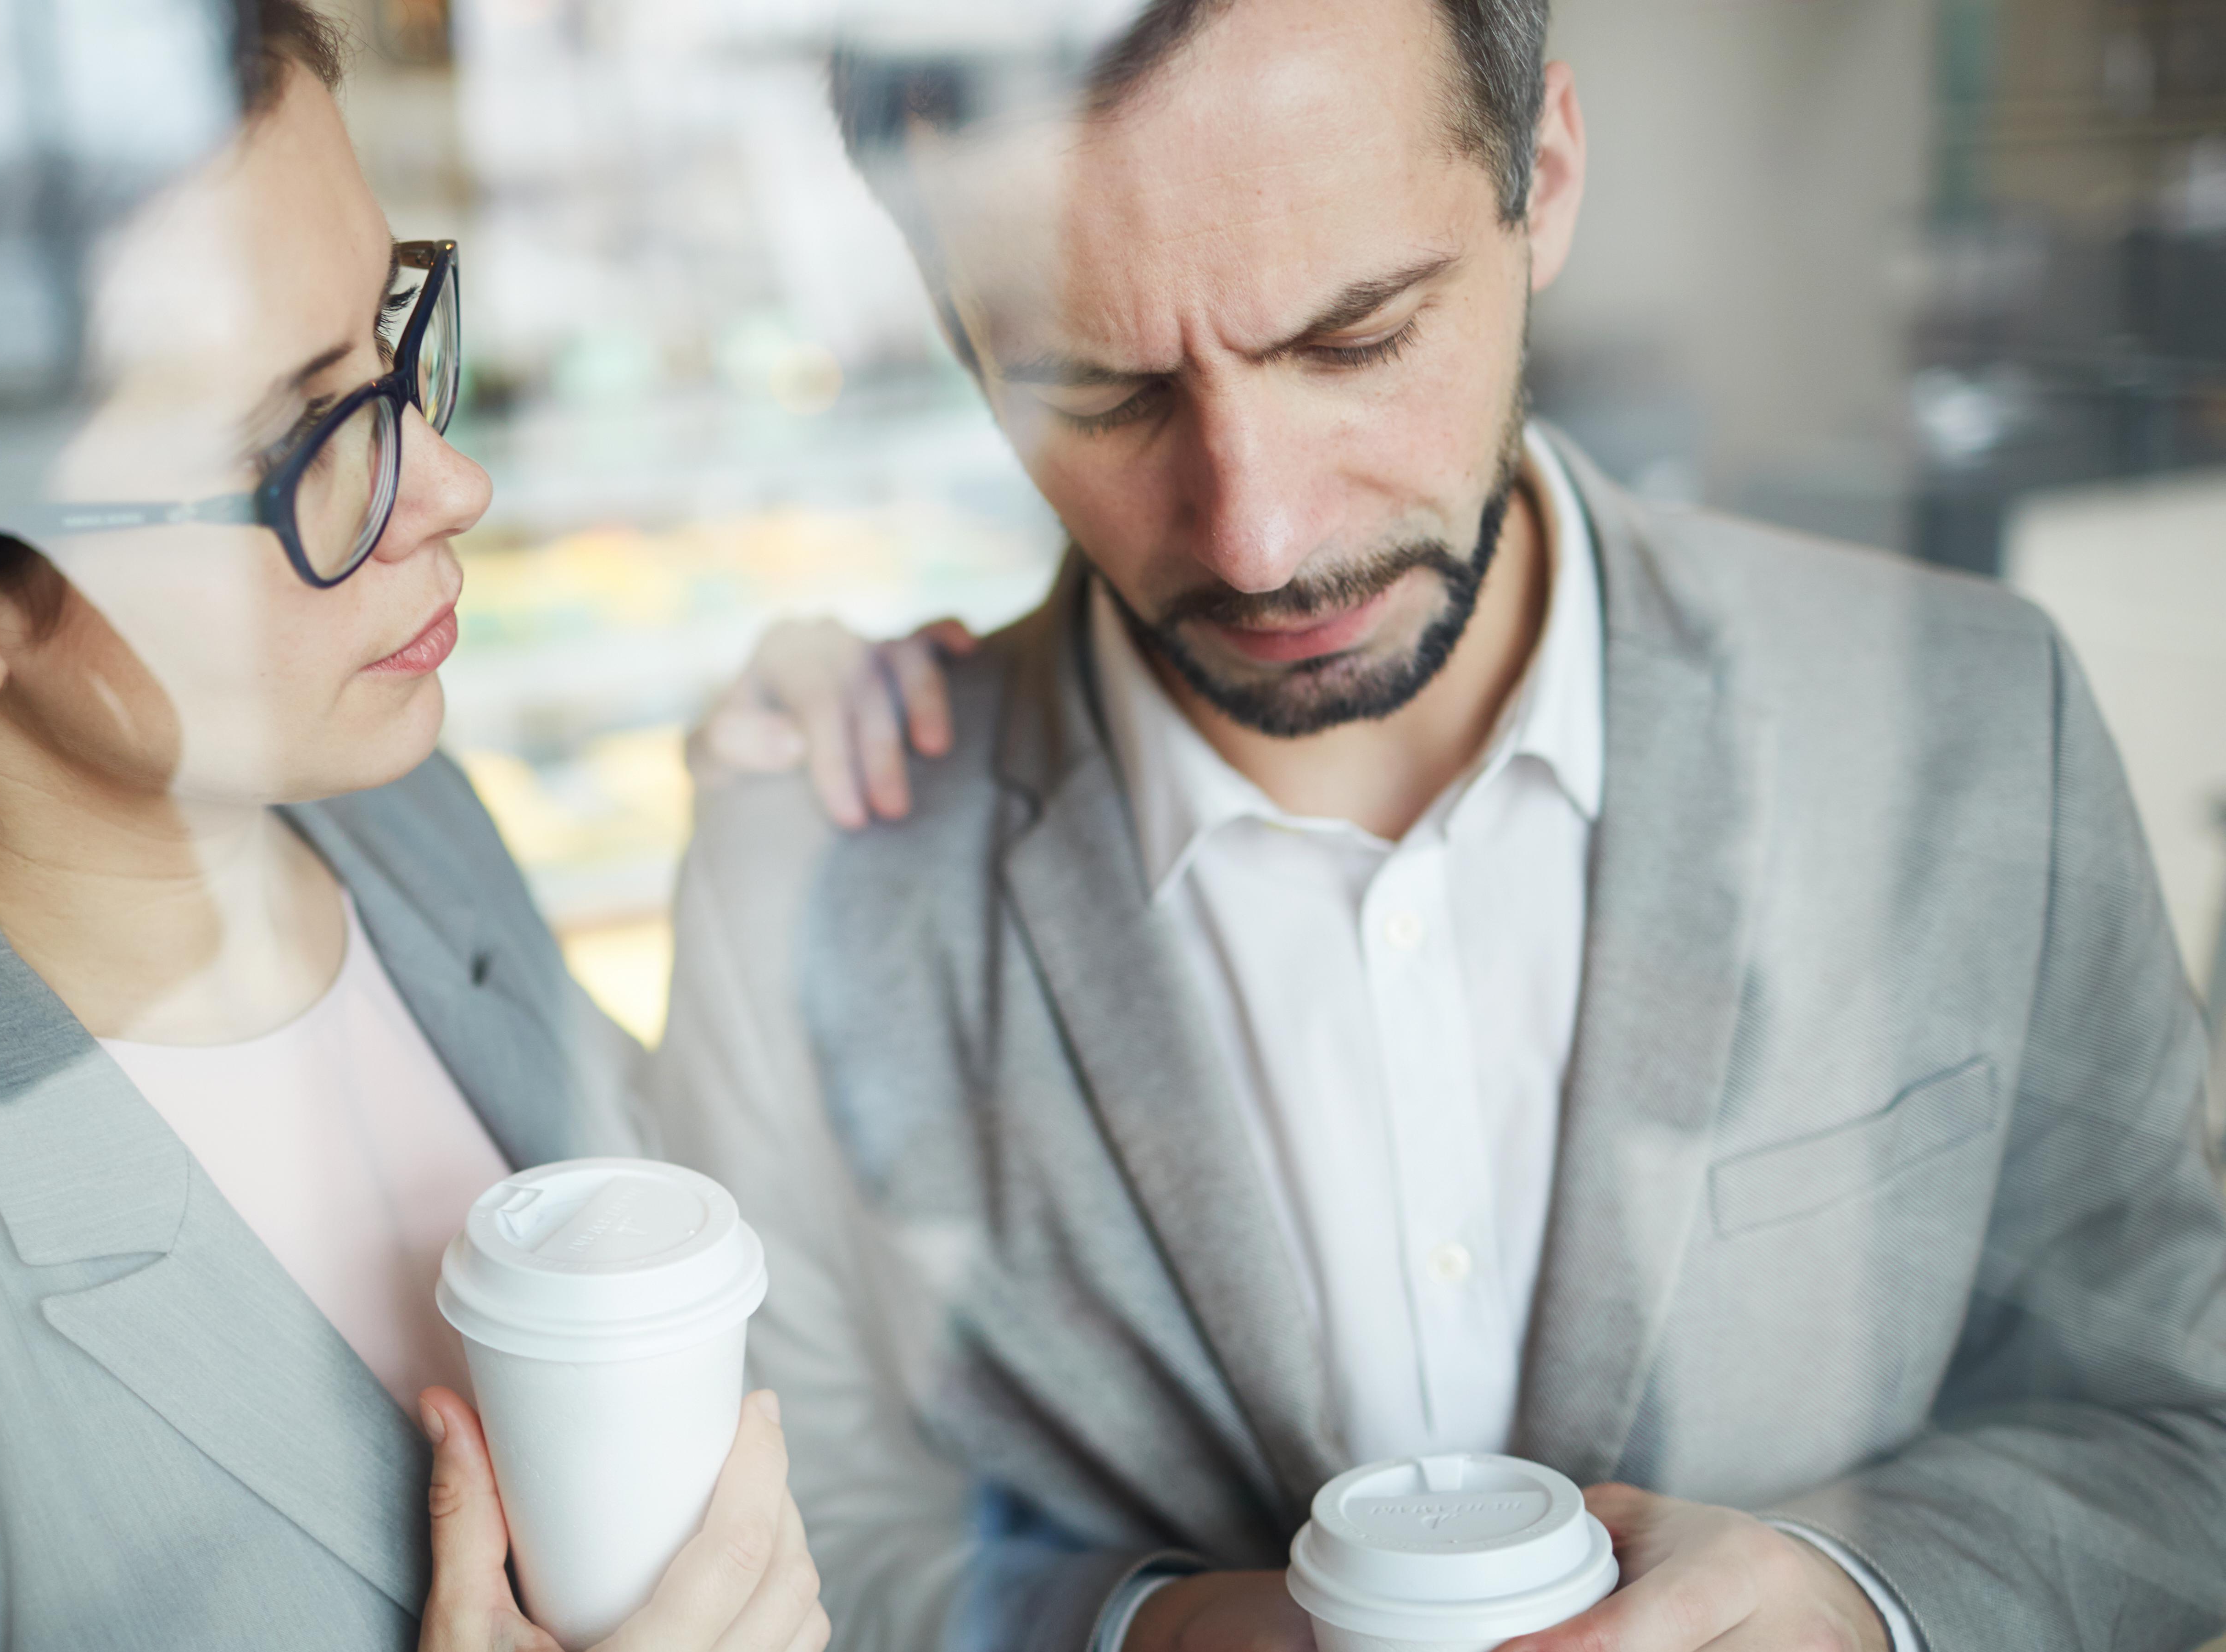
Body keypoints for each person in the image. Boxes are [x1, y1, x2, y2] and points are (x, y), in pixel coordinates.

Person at [653, 0, 2226, 1649]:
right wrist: (1151, 1634)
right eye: (1100, 392)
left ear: (1540, 178)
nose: (1258, 536)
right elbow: (801, 1517)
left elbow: (2179, 1426)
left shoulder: (1980, 722)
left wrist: (1856, 1603)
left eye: (1354, 338)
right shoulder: (805, 866)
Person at [0, 2, 918, 1645]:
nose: (443, 486)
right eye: (293, 442)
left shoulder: (405, 819)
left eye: (385, 333)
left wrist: (776, 862)